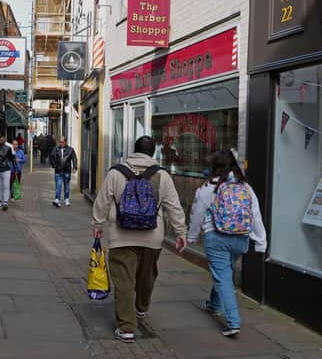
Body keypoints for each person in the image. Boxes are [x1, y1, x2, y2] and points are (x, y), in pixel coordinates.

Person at [91, 136, 188, 343]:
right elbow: (174, 206)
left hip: (121, 236)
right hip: (153, 237)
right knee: (147, 276)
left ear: (134, 150)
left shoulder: (116, 172)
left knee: (124, 282)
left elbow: (102, 201)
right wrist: (181, 233)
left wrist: (98, 224)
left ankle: (126, 328)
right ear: (153, 152)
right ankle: (141, 308)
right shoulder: (162, 175)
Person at [188, 150, 267, 337]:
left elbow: (197, 214)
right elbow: (255, 214)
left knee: (223, 277)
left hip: (216, 238)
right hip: (241, 239)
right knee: (224, 272)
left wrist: (191, 236)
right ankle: (214, 305)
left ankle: (233, 322)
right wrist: (261, 241)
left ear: (214, 167)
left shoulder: (208, 187)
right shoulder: (245, 187)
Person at [49, 136, 77, 207]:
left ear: (65, 142)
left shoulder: (70, 149)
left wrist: (74, 167)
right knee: (58, 185)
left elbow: (74, 158)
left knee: (66, 186)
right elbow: (51, 157)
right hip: (58, 171)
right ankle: (57, 199)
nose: (61, 143)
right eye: (60, 142)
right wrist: (54, 165)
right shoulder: (56, 149)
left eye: (62, 142)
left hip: (67, 170)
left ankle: (66, 199)